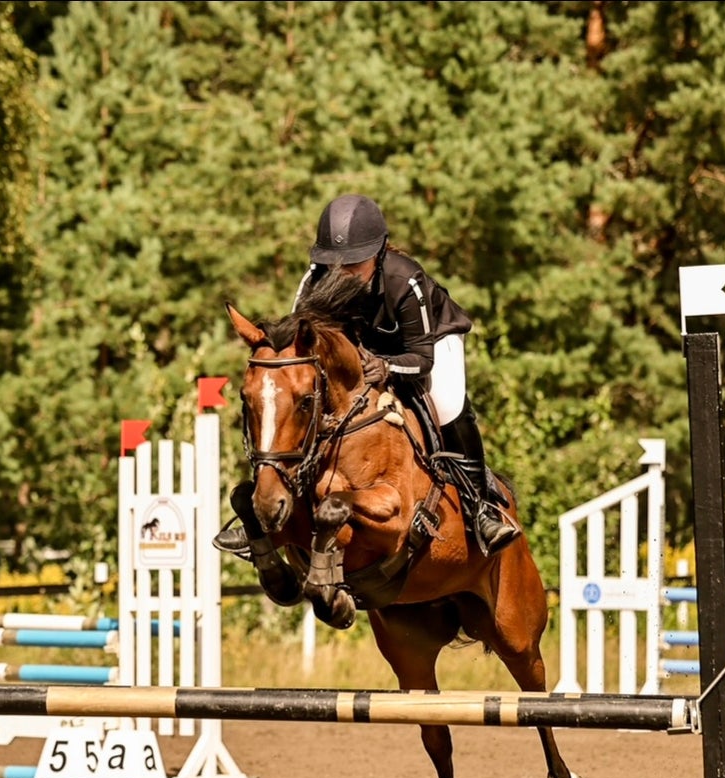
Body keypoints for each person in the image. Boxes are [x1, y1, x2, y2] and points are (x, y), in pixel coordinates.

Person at [215, 194, 520, 557]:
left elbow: (422, 358)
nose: (342, 273)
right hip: (362, 350)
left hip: (429, 343)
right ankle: (267, 510)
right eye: (333, 263)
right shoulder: (314, 280)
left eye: (355, 263)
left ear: (378, 254)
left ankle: (480, 507)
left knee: (447, 404)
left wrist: (388, 367)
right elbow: (301, 349)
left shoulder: (405, 279)